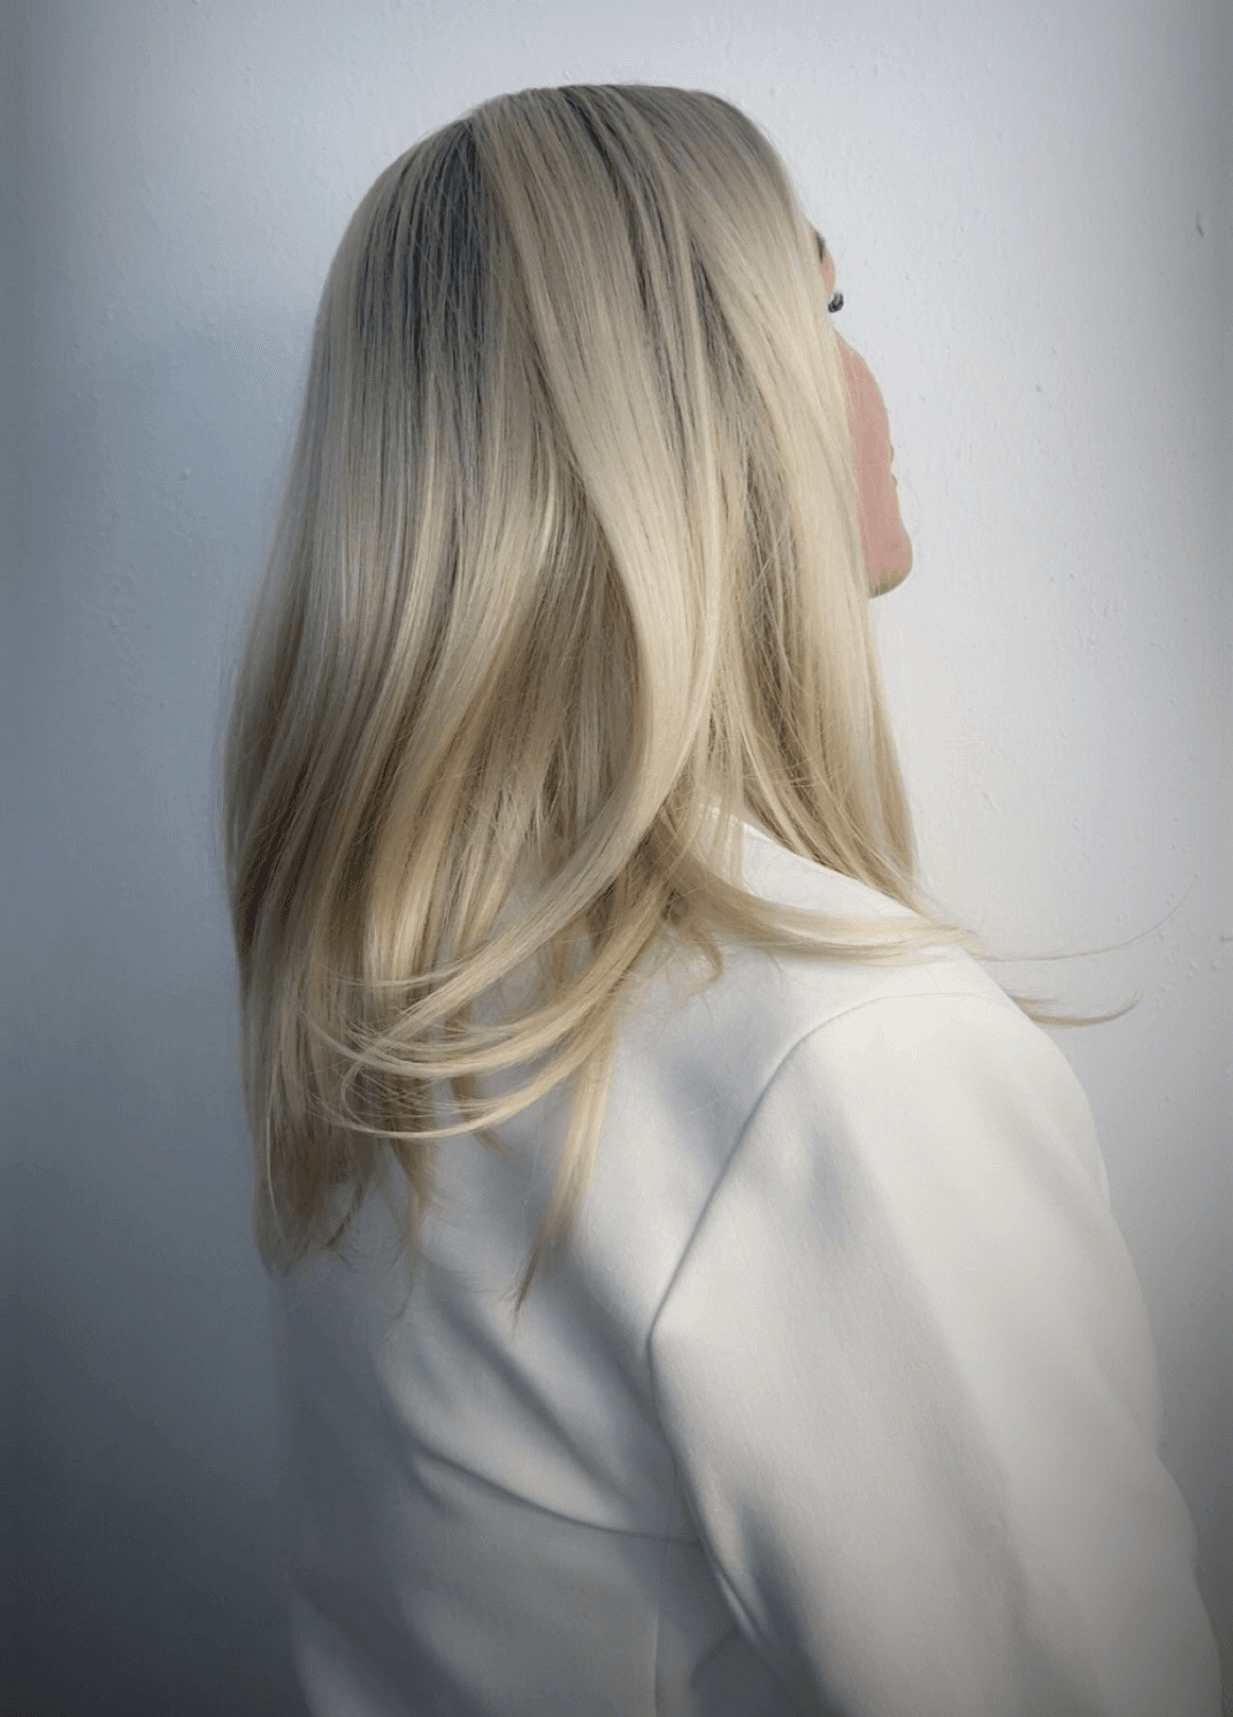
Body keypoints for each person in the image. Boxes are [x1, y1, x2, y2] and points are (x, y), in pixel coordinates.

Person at [216, 83, 1221, 1715]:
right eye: (820, 307)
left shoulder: (401, 990)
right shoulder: (846, 1059)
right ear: (686, 412)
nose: (864, 379)